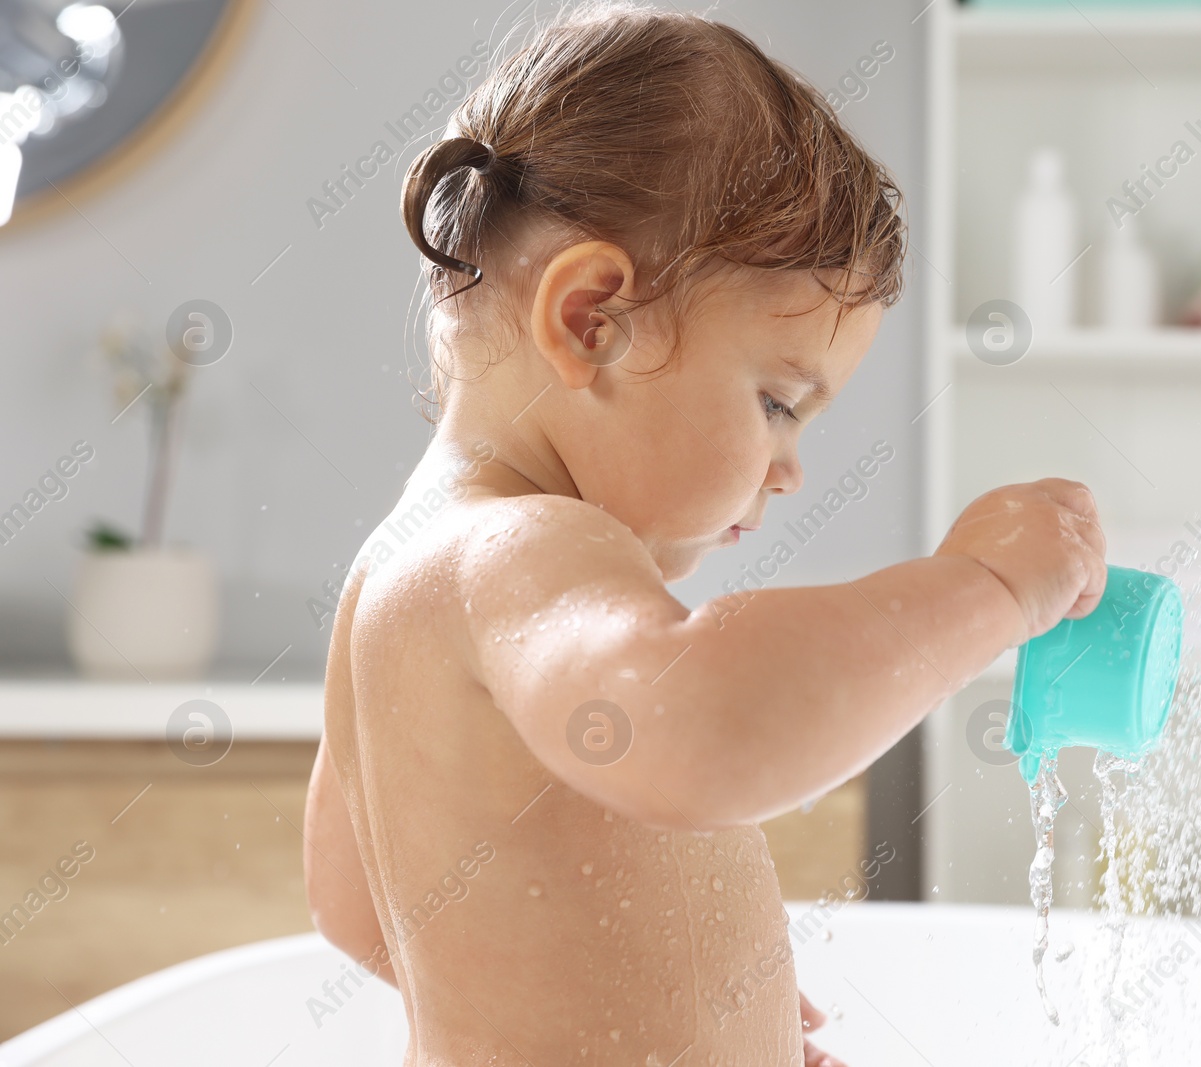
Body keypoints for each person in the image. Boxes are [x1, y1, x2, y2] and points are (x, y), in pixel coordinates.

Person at [303, 5, 1105, 1063]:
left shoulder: (401, 568)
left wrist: (701, 1006)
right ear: (593, 321)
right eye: (778, 400)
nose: (790, 467)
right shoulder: (520, 547)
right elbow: (707, 728)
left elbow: (358, 902)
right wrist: (987, 588)